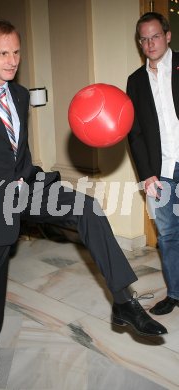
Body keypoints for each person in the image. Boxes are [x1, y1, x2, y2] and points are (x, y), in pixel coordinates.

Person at [0, 20, 167, 381]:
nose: (11, 61)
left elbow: (16, 151)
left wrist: (34, 179)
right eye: (3, 53)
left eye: (16, 52)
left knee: (87, 208)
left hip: (26, 188)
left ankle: (123, 302)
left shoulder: (19, 96)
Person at [127, 12, 179, 316]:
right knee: (169, 235)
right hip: (160, 174)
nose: (150, 43)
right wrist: (146, 175)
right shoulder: (135, 81)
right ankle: (174, 293)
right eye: (144, 38)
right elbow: (135, 134)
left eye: (155, 36)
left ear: (168, 35)